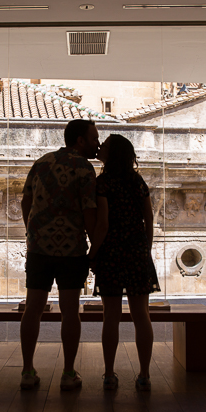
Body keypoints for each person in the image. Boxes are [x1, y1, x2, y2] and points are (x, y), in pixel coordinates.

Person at [19, 119, 99, 391]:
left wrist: (32, 231)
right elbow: (89, 211)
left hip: (39, 248)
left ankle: (28, 370)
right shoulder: (85, 169)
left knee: (33, 309)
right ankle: (68, 372)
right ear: (80, 141)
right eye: (93, 138)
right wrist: (96, 245)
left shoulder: (41, 163)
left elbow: (26, 201)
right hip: (71, 250)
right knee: (70, 312)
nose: (97, 143)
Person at [88, 134, 160, 391]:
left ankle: (109, 373)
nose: (100, 147)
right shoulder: (137, 181)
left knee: (111, 316)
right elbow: (149, 219)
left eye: (104, 145)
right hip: (137, 252)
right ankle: (144, 374)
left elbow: (103, 223)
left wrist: (92, 253)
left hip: (112, 253)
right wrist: (146, 249)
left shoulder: (103, 183)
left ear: (113, 153)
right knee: (142, 315)